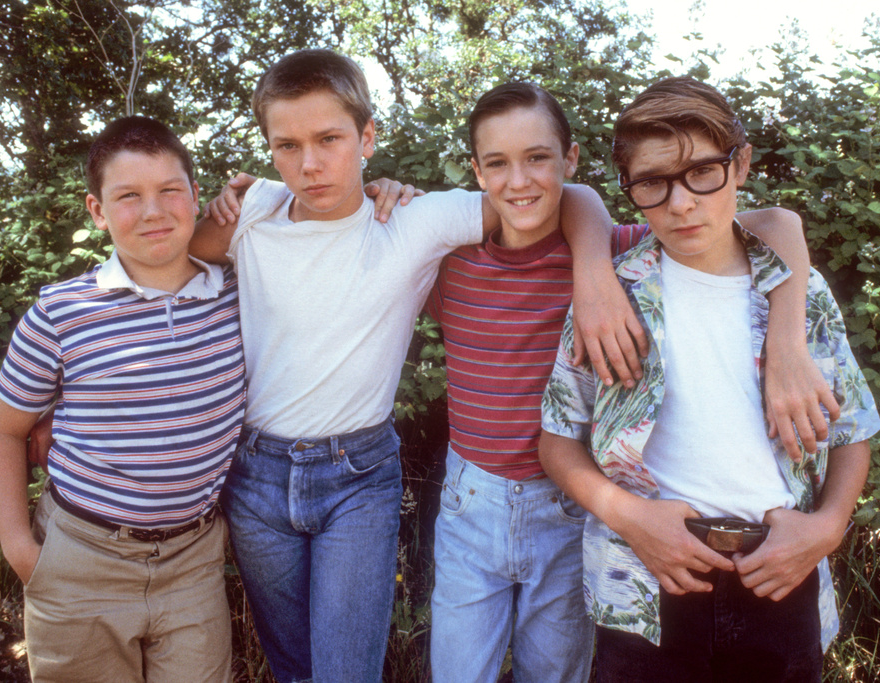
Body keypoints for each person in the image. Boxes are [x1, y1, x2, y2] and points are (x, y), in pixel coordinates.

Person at [189, 49, 639, 683]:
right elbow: (169, 257)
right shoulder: (254, 211)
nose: (310, 163)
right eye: (287, 145)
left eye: (329, 139)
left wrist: (593, 271)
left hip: (358, 474)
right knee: (293, 667)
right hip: (257, 472)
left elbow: (553, 196)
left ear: (367, 137)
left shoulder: (413, 221)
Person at [426, 82, 829, 683]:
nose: (519, 180)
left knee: (555, 671)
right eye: (498, 163)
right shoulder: (447, 263)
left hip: (570, 508)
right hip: (478, 498)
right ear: (477, 172)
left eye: (537, 157)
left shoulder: (631, 251)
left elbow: (776, 223)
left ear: (570, 159)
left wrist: (789, 342)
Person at [539, 76, 880, 683]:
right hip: (644, 577)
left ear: (740, 164)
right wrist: (631, 518)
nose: (680, 203)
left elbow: (852, 429)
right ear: (630, 189)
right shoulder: (611, 298)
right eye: (652, 182)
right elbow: (558, 440)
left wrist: (827, 528)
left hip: (783, 571)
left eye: (702, 172)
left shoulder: (799, 293)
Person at [0, 116, 245, 682]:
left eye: (170, 190)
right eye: (128, 196)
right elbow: (0, 430)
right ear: (97, 211)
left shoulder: (239, 293)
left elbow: (319, 219)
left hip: (193, 562)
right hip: (81, 560)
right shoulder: (61, 312)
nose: (153, 211)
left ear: (196, 195)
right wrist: (22, 550)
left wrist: (379, 190)